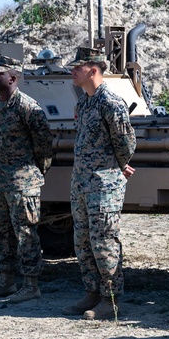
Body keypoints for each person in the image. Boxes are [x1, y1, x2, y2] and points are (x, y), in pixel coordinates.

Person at [63, 47, 137, 320]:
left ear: (93, 70)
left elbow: (126, 143)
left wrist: (117, 166)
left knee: (104, 240)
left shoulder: (111, 103)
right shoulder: (83, 104)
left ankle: (110, 300)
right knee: (82, 241)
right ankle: (92, 293)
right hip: (82, 183)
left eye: (77, 67)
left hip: (104, 186)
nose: (72, 71)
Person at [0, 55, 55, 303]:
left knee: (26, 234)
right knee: (0, 233)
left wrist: (34, 173)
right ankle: (6, 281)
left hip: (22, 183)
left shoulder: (28, 107)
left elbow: (45, 145)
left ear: (13, 78)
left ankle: (31, 284)